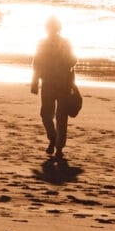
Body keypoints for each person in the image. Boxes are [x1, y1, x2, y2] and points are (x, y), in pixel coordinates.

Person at [30, 16, 77, 159]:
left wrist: (35, 81)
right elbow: (73, 61)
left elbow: (36, 64)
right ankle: (57, 144)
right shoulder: (64, 43)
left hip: (51, 84)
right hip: (59, 83)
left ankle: (55, 141)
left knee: (47, 115)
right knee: (59, 117)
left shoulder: (43, 43)